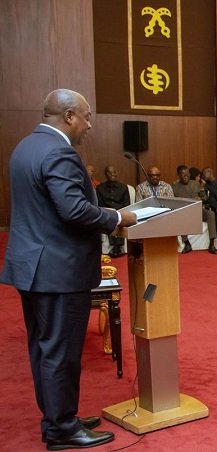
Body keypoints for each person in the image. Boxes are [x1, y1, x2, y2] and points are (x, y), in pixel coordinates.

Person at [0, 89, 137, 449]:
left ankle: (59, 417)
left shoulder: (25, 146)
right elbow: (74, 209)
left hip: (31, 267)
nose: (90, 125)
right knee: (60, 352)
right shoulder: (60, 152)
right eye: (87, 117)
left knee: (44, 348)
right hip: (58, 270)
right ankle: (62, 430)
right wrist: (116, 217)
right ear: (70, 115)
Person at [172, 165, 217, 254]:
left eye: (187, 174)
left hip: (198, 211)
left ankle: (212, 244)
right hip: (184, 213)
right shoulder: (174, 187)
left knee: (210, 214)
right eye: (183, 174)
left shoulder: (196, 184)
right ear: (178, 175)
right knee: (179, 217)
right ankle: (187, 244)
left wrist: (202, 193)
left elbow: (205, 198)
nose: (186, 176)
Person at [96, 165, 130, 257]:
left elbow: (127, 204)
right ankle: (114, 247)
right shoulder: (99, 188)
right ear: (105, 174)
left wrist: (119, 213)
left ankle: (117, 246)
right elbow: (100, 205)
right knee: (111, 218)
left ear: (117, 173)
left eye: (114, 172)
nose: (112, 174)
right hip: (107, 213)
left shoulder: (123, 187)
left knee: (119, 218)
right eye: (109, 172)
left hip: (121, 213)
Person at [199, 167, 217, 254]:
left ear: (209, 172)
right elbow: (205, 199)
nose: (203, 176)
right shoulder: (205, 185)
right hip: (210, 207)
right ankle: (212, 244)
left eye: (204, 174)